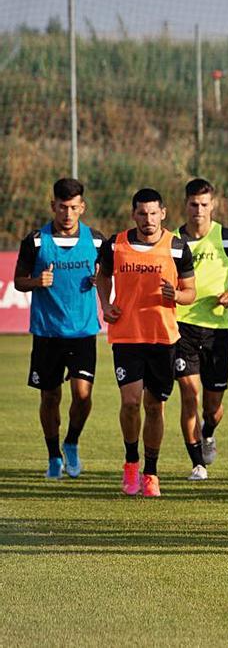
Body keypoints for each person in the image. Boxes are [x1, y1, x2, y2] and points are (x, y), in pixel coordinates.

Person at [96, 188, 197, 497]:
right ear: (133, 215)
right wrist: (106, 303)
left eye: (154, 213)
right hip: (127, 336)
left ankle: (151, 472)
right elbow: (103, 277)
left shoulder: (177, 248)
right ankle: (131, 463)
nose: (148, 219)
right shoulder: (115, 244)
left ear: (163, 213)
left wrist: (176, 296)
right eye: (142, 213)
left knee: (155, 407)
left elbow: (190, 292)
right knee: (130, 402)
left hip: (163, 338)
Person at [14, 178, 103, 479]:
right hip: (47, 333)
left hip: (83, 332)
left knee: (82, 395)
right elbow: (18, 281)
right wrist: (37, 282)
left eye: (74, 208)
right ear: (53, 205)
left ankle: (72, 443)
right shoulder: (36, 241)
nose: (67, 213)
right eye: (62, 207)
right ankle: (53, 456)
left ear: (83, 208)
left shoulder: (97, 241)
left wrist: (99, 279)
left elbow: (107, 275)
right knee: (50, 398)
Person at [173, 178, 228, 480]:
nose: (198, 210)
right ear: (185, 205)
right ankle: (197, 463)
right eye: (193, 204)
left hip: (217, 329)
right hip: (181, 326)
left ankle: (209, 432)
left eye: (204, 204)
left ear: (213, 205)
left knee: (213, 407)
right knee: (190, 394)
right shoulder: (172, 241)